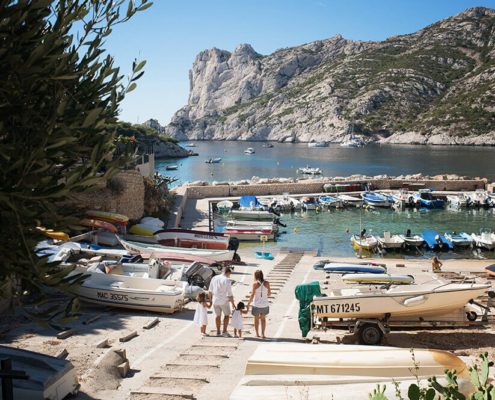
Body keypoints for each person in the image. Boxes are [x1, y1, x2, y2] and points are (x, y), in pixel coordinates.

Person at [208, 267, 236, 337]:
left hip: (215, 300)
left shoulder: (214, 278)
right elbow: (230, 294)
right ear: (227, 272)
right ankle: (224, 331)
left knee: (218, 316)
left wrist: (210, 301)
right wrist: (233, 304)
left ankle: (218, 331)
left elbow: (210, 291)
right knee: (226, 315)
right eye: (229, 274)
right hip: (223, 300)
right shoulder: (227, 280)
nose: (229, 276)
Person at [247, 270, 271, 338]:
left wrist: (248, 303)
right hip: (265, 304)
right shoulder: (267, 283)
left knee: (256, 320)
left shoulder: (254, 284)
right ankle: (263, 334)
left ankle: (257, 334)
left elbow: (252, 295)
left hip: (256, 305)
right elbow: (269, 294)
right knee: (263, 319)